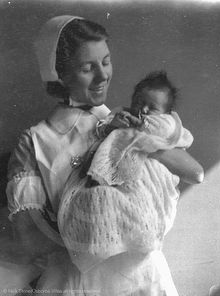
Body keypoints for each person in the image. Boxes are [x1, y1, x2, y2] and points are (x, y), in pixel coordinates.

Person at [2, 15, 204, 295]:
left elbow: (194, 173)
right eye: (88, 68)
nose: (103, 76)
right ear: (60, 74)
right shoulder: (36, 140)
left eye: (106, 62)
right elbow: (28, 239)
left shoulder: (131, 121)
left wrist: (137, 139)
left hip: (145, 276)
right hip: (80, 280)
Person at [57, 70, 194, 295]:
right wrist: (114, 126)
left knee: (138, 202)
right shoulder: (119, 115)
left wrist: (142, 132)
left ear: (166, 113)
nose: (144, 110)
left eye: (152, 107)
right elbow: (101, 131)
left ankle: (139, 235)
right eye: (139, 102)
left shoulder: (165, 125)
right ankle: (104, 238)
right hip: (112, 168)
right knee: (98, 198)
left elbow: (172, 138)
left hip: (143, 176)